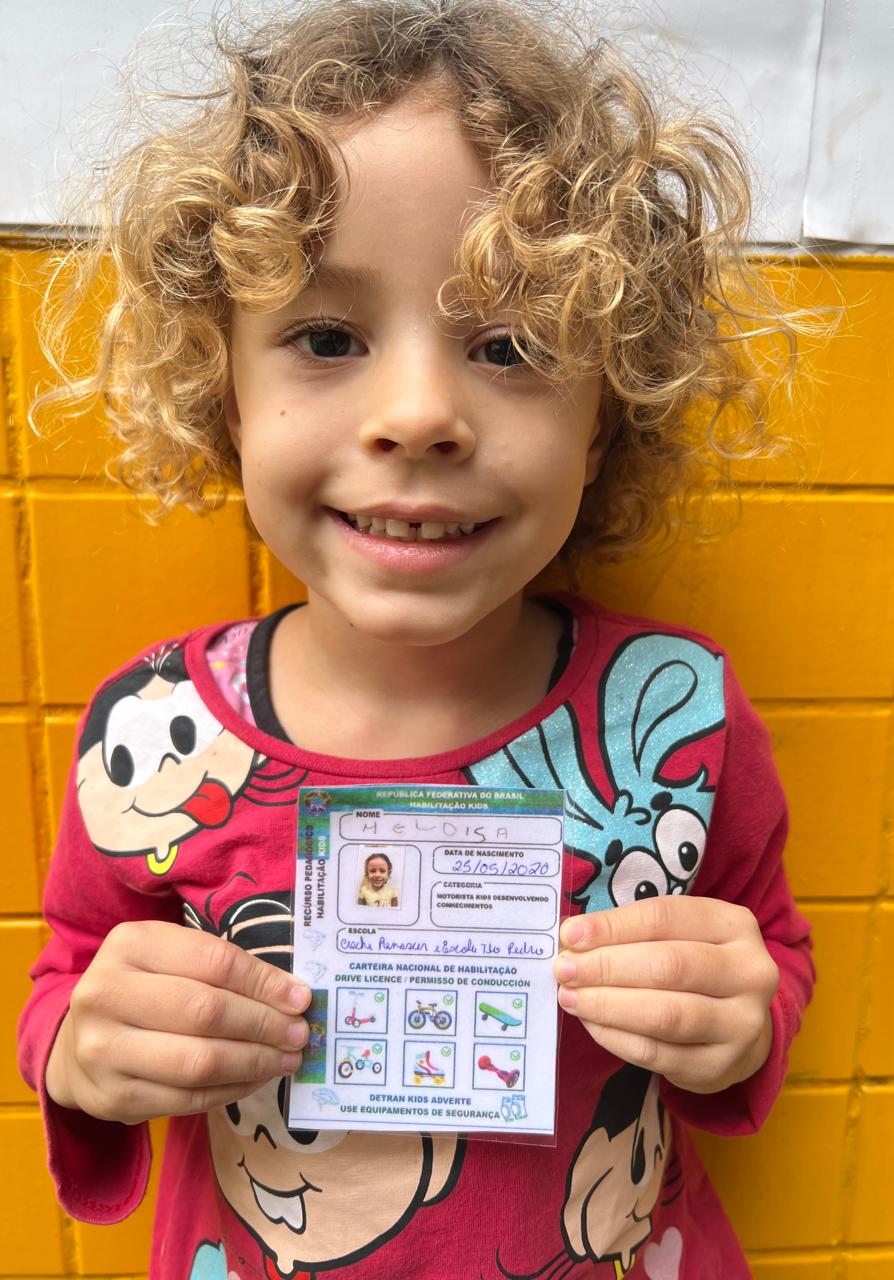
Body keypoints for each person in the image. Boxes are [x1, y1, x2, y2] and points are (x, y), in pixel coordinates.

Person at [18, 2, 815, 1277]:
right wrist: (81, 1047)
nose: (419, 414)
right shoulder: (149, 734)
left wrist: (743, 1019)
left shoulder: (675, 716)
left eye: (512, 344)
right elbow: (68, 974)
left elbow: (770, 949)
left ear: (606, 417)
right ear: (224, 390)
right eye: (327, 338)